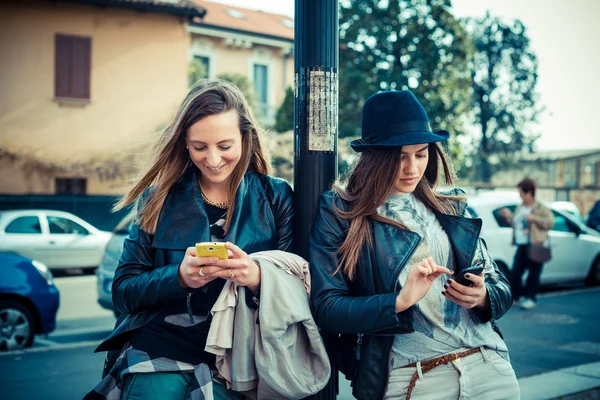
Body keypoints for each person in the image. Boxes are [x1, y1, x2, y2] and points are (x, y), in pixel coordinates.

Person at [85, 79, 294, 400]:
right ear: (184, 142)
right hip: (159, 350)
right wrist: (179, 277)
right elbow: (123, 293)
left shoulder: (276, 195)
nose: (212, 159)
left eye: (225, 146)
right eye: (200, 147)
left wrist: (257, 277)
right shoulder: (157, 198)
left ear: (245, 138)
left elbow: (300, 289)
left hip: (242, 356)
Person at [309, 90, 517, 400]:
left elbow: (499, 283)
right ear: (375, 157)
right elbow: (327, 307)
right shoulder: (342, 213)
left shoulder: (451, 207)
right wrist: (399, 301)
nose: (412, 168)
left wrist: (484, 296)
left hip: (488, 367)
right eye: (399, 157)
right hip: (414, 380)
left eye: (421, 153)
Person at [500, 178, 554, 310]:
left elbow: (550, 223)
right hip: (522, 244)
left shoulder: (540, 207)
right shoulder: (520, 207)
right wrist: (509, 217)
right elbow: (517, 223)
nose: (520, 196)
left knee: (533, 273)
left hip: (535, 245)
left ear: (529, 192)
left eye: (521, 193)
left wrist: (534, 218)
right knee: (516, 272)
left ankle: (531, 298)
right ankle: (516, 297)